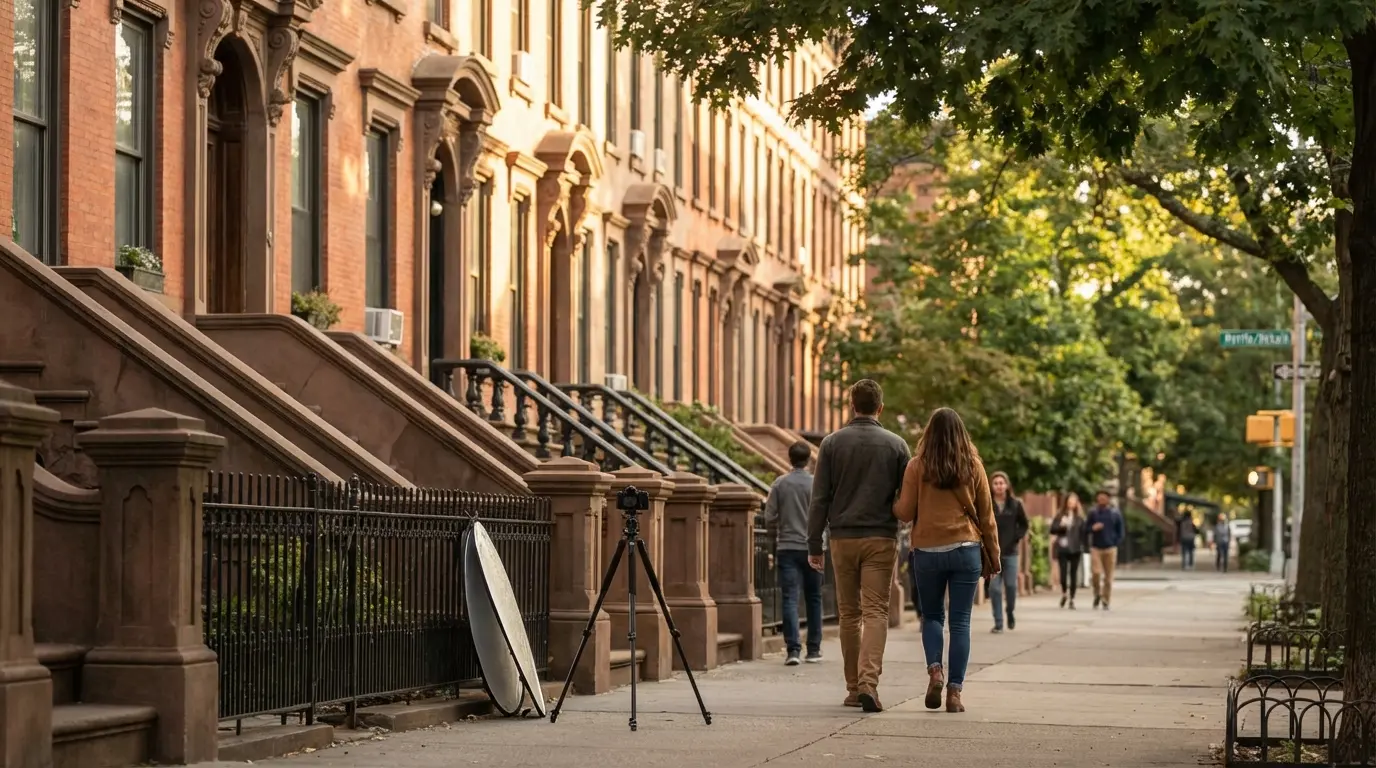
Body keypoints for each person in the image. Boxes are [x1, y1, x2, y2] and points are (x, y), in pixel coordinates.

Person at [807, 379, 910, 713]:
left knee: (849, 614)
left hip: (842, 537)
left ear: (852, 405)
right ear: (880, 407)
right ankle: (869, 683)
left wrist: (813, 544)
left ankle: (853, 688)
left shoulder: (832, 444)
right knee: (876, 610)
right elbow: (906, 498)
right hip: (881, 537)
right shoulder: (897, 446)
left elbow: (819, 497)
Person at [892, 407, 1000, 715]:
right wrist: (993, 554)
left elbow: (905, 512)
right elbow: (987, 517)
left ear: (929, 433)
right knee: (961, 621)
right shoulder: (973, 466)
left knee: (932, 616)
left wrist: (893, 503)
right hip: (966, 549)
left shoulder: (917, 466)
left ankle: (935, 671)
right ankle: (955, 693)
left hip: (928, 551)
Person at [764, 441, 825, 666]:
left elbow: (769, 517)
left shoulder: (780, 484)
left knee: (790, 598)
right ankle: (814, 650)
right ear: (809, 459)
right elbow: (825, 516)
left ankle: (793, 650)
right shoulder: (817, 484)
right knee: (814, 598)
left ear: (790, 459)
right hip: (813, 547)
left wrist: (773, 541)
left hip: (787, 548)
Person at [988, 472, 1028, 633]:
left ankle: (1010, 612)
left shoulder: (1016, 504)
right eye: (996, 483)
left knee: (1011, 586)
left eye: (1001, 483)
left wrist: (1016, 538)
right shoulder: (987, 504)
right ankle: (998, 622)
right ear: (992, 486)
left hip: (1011, 552)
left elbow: (1024, 525)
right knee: (994, 589)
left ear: (1007, 485)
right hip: (993, 553)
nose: (999, 486)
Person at [1086, 490, 1125, 610]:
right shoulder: (1093, 513)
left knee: (1108, 577)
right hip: (1096, 548)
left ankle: (1106, 600)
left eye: (1104, 497)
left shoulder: (1115, 513)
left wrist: (1115, 542)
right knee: (1096, 574)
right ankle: (1097, 594)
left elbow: (1121, 531)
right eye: (1099, 497)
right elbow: (1086, 528)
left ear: (1108, 499)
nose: (1101, 499)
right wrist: (1093, 528)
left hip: (1110, 548)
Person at [1049, 493, 1088, 609]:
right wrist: (1062, 525)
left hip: (1075, 548)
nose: (1071, 503)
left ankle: (1072, 598)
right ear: (1066, 502)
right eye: (1070, 501)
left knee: (1073, 574)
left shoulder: (1079, 517)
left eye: (1074, 501)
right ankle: (1064, 593)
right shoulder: (1060, 515)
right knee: (1063, 573)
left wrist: (1084, 546)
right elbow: (1053, 530)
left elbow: (1083, 533)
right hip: (1063, 548)